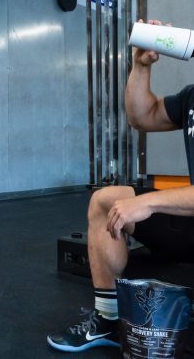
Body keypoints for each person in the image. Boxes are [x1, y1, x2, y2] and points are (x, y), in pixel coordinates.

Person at [47, 19, 194, 353]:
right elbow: (140, 116)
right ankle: (108, 319)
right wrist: (140, 65)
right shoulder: (191, 98)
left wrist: (150, 202)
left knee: (141, 203)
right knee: (105, 200)